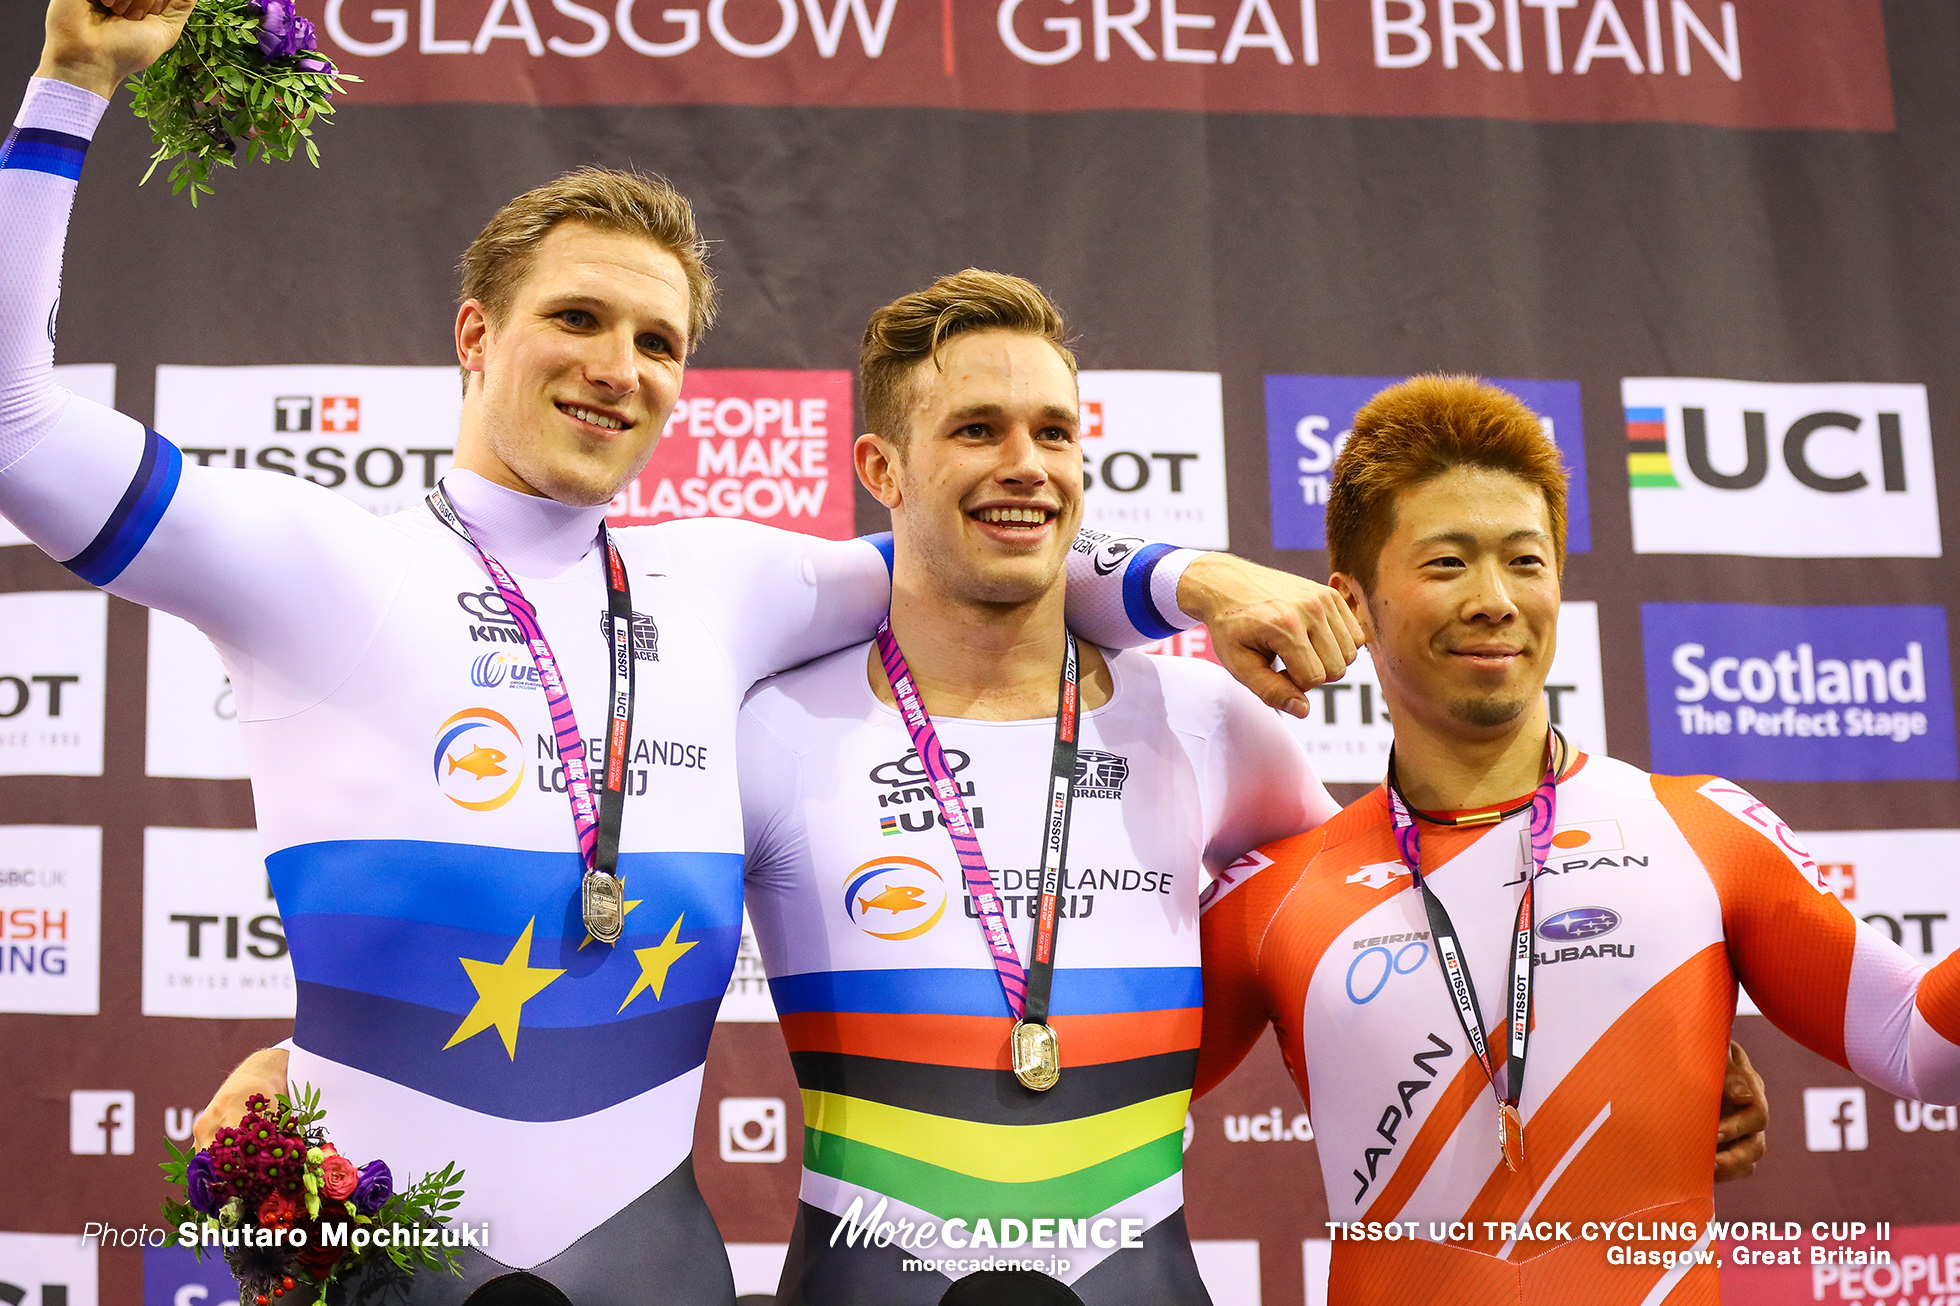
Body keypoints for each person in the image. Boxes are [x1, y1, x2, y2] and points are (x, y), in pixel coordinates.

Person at [6, 3, 1370, 1301]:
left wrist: (1190, 576)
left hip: (651, 1261)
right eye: (580, 319)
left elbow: (986, 552)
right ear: (474, 334)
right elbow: (20, 433)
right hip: (376, 1253)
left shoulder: (722, 581)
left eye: (659, 342)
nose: (621, 366)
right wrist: (72, 84)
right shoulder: (315, 560)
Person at [1194, 375, 1960, 1305]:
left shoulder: (1701, 831)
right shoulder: (1277, 895)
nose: (1495, 600)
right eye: (1447, 565)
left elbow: (1921, 1048)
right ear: (1353, 603)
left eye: (1525, 561)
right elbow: (1084, 1112)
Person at [737, 270, 1340, 1305]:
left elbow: (1378, 931)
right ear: (882, 467)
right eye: (976, 429)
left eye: (1053, 433)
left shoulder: (1208, 718)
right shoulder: (772, 730)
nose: (1025, 466)